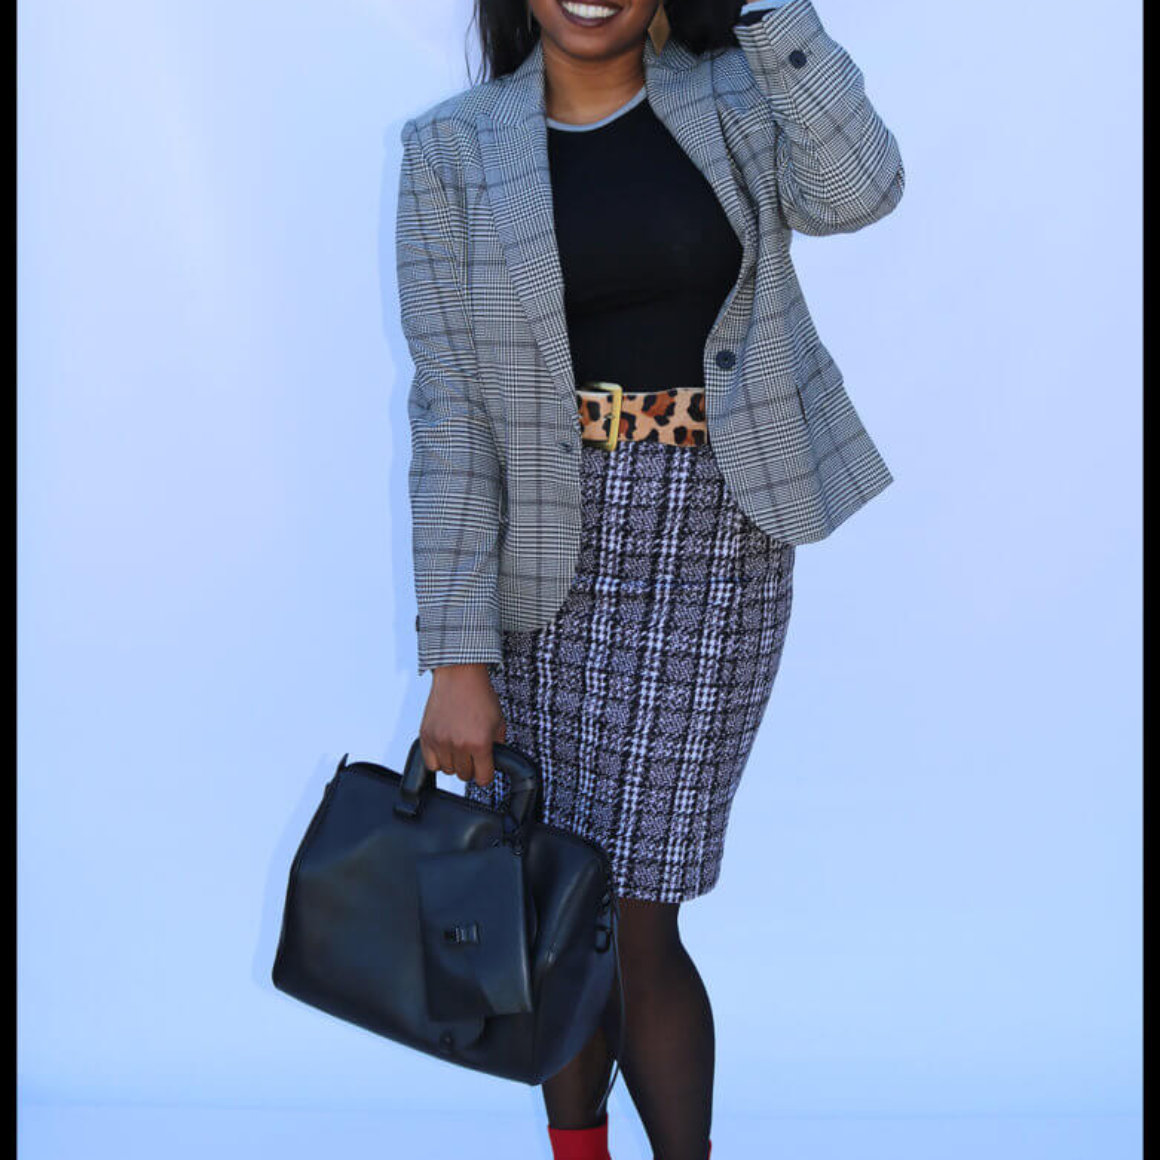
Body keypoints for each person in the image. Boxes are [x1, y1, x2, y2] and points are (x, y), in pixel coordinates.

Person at [392, 1, 904, 1156]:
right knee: (552, 895)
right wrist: (456, 655)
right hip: (540, 550)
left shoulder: (735, 96)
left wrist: (772, 13)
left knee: (634, 907)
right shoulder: (450, 150)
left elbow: (861, 188)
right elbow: (450, 414)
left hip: (714, 535)